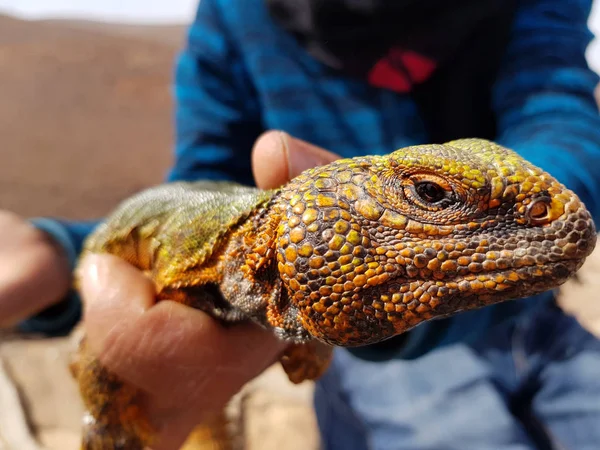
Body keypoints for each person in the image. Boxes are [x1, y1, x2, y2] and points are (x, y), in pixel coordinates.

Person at [2, 0, 600, 448]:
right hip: (370, 350)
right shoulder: (236, 16)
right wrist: (57, 253)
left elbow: (559, 114)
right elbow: (199, 193)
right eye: (429, 194)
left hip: (525, 312)